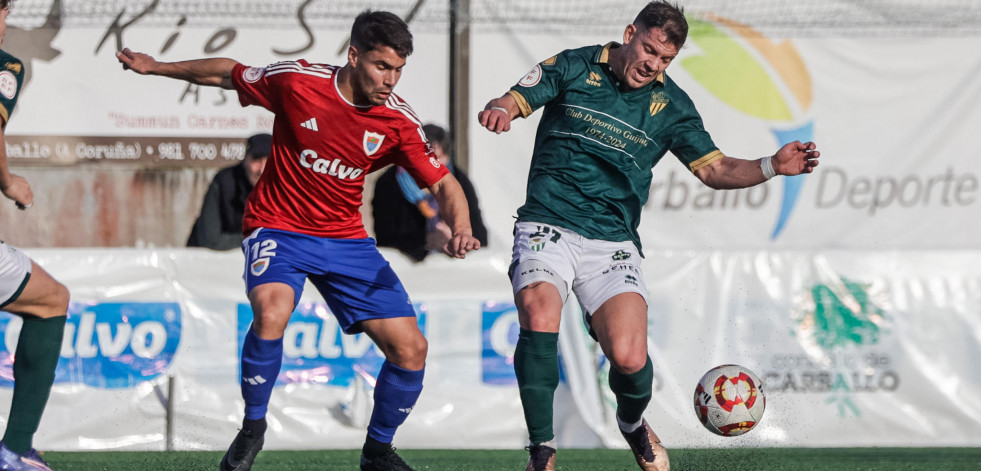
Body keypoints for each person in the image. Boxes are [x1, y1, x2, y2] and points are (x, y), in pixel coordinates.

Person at [118, 9, 480, 471]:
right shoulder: (297, 82)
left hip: (345, 239)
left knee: (411, 350)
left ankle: (377, 451)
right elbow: (228, 74)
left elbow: (445, 185)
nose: (391, 80)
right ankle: (252, 430)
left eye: (398, 70)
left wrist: (461, 228)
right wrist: (157, 68)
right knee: (272, 313)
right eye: (381, 66)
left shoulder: (397, 121)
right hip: (278, 227)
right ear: (353, 55)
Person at [478, 2, 820, 470]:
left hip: (611, 243)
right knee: (539, 315)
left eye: (664, 59)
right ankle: (542, 451)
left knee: (629, 356)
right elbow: (518, 97)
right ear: (630, 34)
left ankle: (633, 424)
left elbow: (715, 169)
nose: (652, 64)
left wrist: (771, 166)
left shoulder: (672, 107)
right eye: (649, 49)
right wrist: (501, 107)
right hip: (547, 223)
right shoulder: (576, 64)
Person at [0, 1, 70, 470]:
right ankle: (14, 448)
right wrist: (8, 182)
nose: (5, 22)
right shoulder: (5, 68)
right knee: (52, 301)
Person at [372, 123, 488, 262]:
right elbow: (385, 238)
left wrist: (457, 239)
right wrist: (427, 240)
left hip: (453, 270)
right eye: (429, 160)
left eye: (440, 160)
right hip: (409, 270)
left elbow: (480, 237)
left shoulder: (458, 181)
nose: (435, 167)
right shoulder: (389, 183)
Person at [187, 133, 271, 250]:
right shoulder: (224, 183)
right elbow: (210, 240)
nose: (262, 169)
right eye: (256, 160)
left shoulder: (289, 188)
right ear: (244, 160)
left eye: (269, 161)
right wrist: (258, 239)